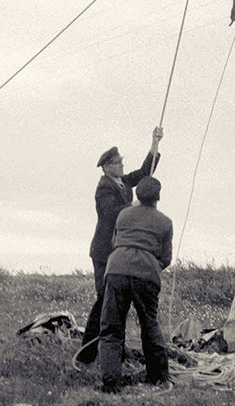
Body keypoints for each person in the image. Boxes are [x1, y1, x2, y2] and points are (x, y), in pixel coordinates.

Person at [77, 126, 163, 362]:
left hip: (116, 254)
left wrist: (154, 143)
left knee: (113, 305)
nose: (122, 165)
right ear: (107, 167)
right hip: (104, 253)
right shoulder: (104, 186)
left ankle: (112, 353)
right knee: (104, 303)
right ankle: (87, 354)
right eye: (118, 162)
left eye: (121, 161)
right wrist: (133, 207)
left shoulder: (123, 182)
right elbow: (109, 213)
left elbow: (145, 172)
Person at [99, 176, 174, 393]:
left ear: (138, 195)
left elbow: (115, 242)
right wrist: (150, 263)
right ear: (158, 197)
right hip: (146, 275)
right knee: (150, 325)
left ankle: (111, 382)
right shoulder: (165, 222)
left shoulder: (123, 214)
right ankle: (158, 378)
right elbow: (166, 258)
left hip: (116, 271)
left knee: (112, 329)